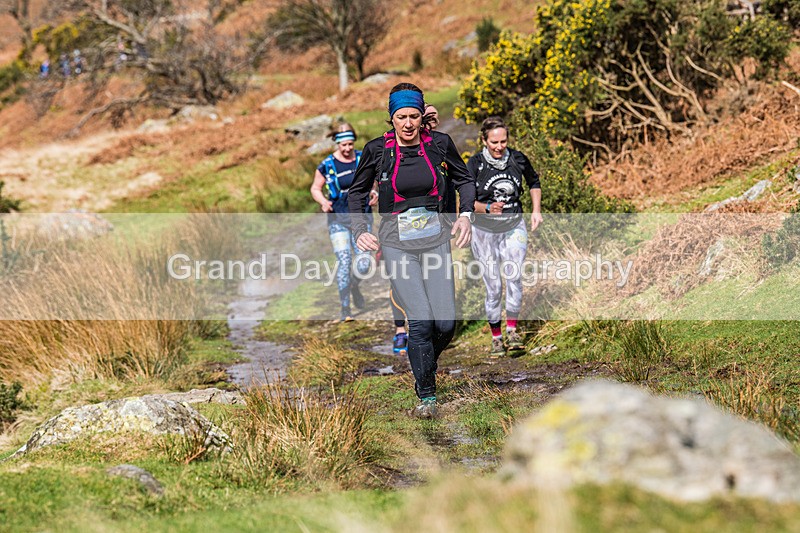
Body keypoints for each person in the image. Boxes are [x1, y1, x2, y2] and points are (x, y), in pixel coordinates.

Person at [349, 82, 476, 418]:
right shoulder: (377, 150)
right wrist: (359, 230)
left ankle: (423, 362)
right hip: (395, 243)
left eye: (414, 116)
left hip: (435, 240)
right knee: (420, 319)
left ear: (423, 116)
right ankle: (427, 396)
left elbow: (465, 179)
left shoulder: (439, 144)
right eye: (401, 117)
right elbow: (356, 193)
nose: (407, 123)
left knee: (446, 323)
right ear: (391, 118)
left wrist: (465, 216)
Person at [468, 116, 542, 356]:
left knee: (514, 276)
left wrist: (536, 211)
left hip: (513, 226)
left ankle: (512, 331)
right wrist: (487, 208)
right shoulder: (475, 163)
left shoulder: (517, 158)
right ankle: (496, 337)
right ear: (484, 140)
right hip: (484, 231)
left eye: (503, 141)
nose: (499, 147)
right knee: (493, 286)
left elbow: (534, 182)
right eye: (494, 142)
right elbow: (466, 200)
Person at [387, 104, 441, 355]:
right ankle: (401, 329)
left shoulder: (439, 148)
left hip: (436, 234)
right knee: (402, 285)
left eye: (418, 117)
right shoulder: (388, 149)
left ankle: (425, 345)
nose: (432, 122)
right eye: (430, 117)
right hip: (397, 235)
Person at [310, 122, 377, 322]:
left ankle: (354, 284)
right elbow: (315, 188)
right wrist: (323, 201)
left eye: (350, 144)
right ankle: (345, 309)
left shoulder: (361, 158)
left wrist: (374, 191)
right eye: (343, 145)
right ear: (336, 144)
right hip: (337, 218)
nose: (347, 149)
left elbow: (372, 179)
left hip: (361, 216)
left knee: (364, 264)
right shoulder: (327, 165)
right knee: (344, 261)